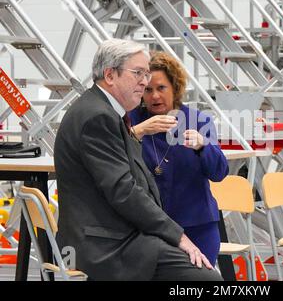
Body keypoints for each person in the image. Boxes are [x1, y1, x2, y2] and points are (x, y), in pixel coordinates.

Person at [54, 39, 222, 281]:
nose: (145, 83)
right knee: (208, 280)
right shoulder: (98, 117)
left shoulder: (102, 111)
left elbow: (219, 171)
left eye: (148, 75)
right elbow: (123, 191)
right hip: (107, 245)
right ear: (110, 75)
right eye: (138, 73)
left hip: (118, 235)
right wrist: (178, 237)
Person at [129, 51, 229, 266]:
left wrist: (203, 146)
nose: (154, 96)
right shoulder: (132, 120)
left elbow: (219, 172)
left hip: (196, 225)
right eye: (148, 89)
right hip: (149, 229)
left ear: (175, 88)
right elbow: (113, 153)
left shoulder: (198, 120)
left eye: (161, 88)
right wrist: (137, 132)